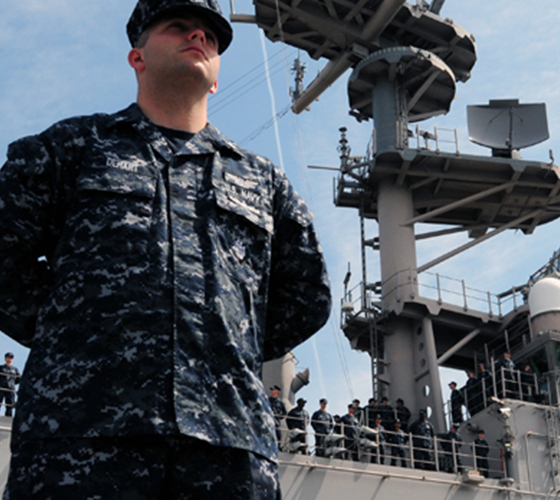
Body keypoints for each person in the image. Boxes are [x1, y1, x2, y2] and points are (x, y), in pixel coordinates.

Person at [0, 0, 332, 498]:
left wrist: (225, 345)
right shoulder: (71, 149)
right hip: (78, 437)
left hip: (228, 449)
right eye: (178, 26)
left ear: (215, 78)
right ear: (137, 57)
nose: (198, 37)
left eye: (210, 37)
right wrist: (68, 332)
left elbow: (307, 297)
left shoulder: (266, 185)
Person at [0, 353, 20, 417]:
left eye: (11, 358)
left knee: (10, 404)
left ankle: (8, 417)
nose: (9, 359)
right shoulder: (1, 368)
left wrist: (12, 383)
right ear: (5, 359)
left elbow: (19, 379)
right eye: (8, 358)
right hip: (1, 388)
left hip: (10, 388)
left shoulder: (15, 369)